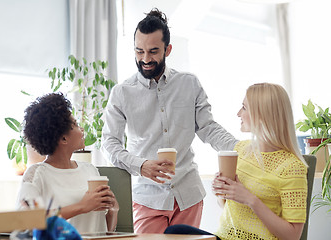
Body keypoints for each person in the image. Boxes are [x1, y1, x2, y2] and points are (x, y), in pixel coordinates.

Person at [101, 8, 238, 233]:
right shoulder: (122, 93)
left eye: (153, 51)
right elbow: (109, 144)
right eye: (139, 51)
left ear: (168, 49)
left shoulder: (189, 84)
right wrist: (141, 165)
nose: (145, 59)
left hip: (188, 195)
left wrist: (241, 149)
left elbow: (208, 128)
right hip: (148, 197)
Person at [165, 83, 309, 240]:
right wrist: (224, 191)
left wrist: (250, 199)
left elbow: (293, 236)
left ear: (262, 115)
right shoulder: (241, 150)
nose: (238, 113)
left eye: (244, 108)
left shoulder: (292, 167)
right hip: (223, 237)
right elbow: (225, 205)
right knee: (174, 232)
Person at [16, 92, 119, 233]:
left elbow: (106, 231)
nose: (82, 129)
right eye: (76, 125)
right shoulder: (37, 174)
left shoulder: (90, 170)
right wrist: (82, 206)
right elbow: (27, 220)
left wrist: (113, 210)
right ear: (63, 139)